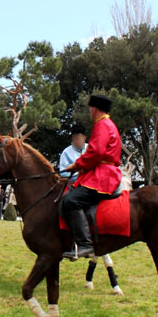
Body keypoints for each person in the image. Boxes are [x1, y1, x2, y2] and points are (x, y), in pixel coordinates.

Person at [60, 95, 122, 261]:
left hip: (103, 175)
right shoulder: (109, 124)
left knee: (71, 201)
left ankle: (85, 244)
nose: (89, 111)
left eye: (90, 108)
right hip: (103, 172)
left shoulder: (102, 124)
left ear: (94, 109)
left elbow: (96, 152)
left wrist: (76, 164)